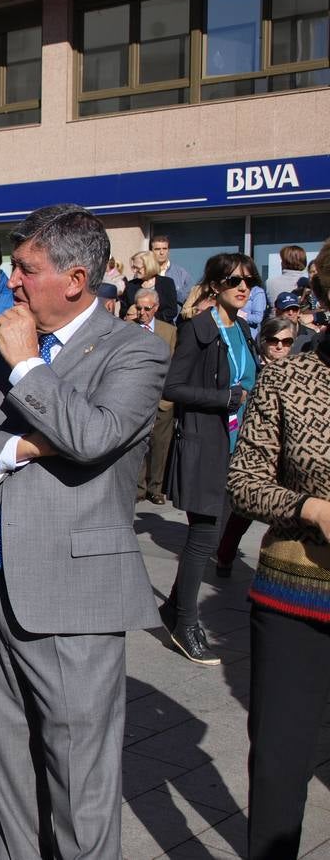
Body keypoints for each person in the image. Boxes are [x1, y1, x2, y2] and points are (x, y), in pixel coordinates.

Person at [0, 203, 168, 860]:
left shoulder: (135, 351)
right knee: (6, 777)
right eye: (12, 267)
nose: (12, 282)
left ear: (74, 279)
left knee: (81, 785)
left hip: (74, 597)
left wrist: (30, 366)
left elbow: (92, 437)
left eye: (27, 270)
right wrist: (22, 448)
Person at [226, 257, 330, 860]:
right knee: (279, 761)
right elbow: (244, 481)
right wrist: (313, 509)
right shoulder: (290, 379)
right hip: (296, 595)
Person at [161, 253, 261, 665]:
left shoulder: (241, 328)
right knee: (204, 536)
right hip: (205, 444)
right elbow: (173, 387)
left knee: (212, 533)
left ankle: (172, 608)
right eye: (235, 280)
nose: (244, 288)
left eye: (250, 282)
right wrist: (225, 398)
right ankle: (186, 623)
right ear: (216, 284)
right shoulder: (199, 327)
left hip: (234, 446)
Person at [212, 316, 300, 580]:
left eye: (286, 342)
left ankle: (279, 567)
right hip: (255, 448)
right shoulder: (254, 369)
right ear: (264, 342)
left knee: (286, 513)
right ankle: (225, 555)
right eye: (274, 341)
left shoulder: (298, 373)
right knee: (244, 511)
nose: (279, 347)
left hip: (288, 451)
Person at [134, 288, 177, 505]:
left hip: (162, 399)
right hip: (137, 399)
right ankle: (139, 488)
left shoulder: (169, 331)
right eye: (139, 308)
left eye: (147, 308)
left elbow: (174, 366)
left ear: (156, 308)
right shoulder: (128, 330)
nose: (142, 312)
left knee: (160, 445)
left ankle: (156, 488)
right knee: (138, 444)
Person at [122, 249, 178, 324]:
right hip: (136, 328)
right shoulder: (130, 285)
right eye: (133, 267)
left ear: (149, 266)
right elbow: (123, 311)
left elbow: (172, 311)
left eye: (137, 268)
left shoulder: (167, 283)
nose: (134, 271)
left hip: (161, 328)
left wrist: (150, 318)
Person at [151, 233, 193, 307]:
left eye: (164, 248)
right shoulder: (144, 273)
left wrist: (170, 290)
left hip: (175, 318)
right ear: (151, 251)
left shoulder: (181, 273)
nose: (161, 252)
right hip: (151, 317)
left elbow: (189, 301)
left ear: (168, 250)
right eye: (157, 249)